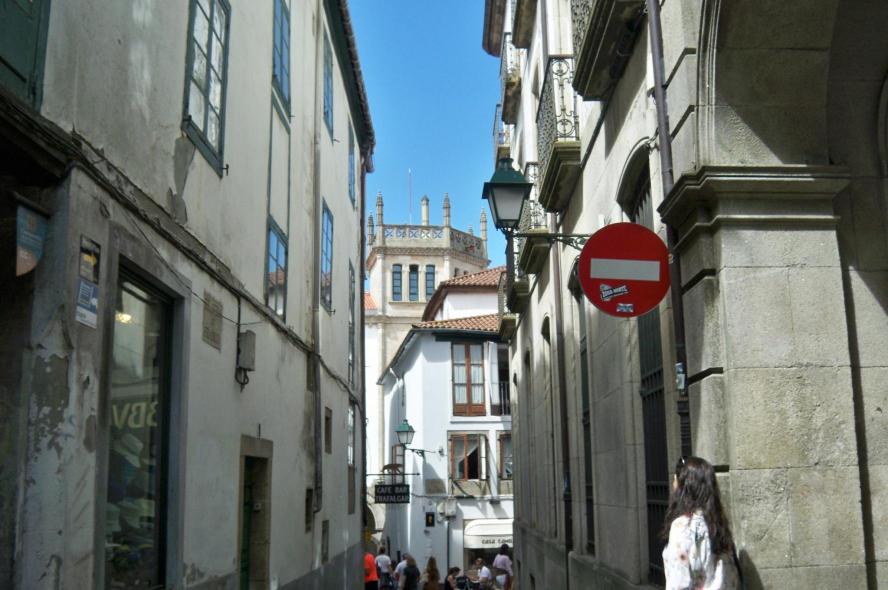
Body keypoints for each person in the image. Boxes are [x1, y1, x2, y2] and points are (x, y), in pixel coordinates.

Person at [662, 456, 741, 590]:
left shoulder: (682, 526)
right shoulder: (718, 524)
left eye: (676, 480)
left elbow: (679, 582)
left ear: (684, 487)